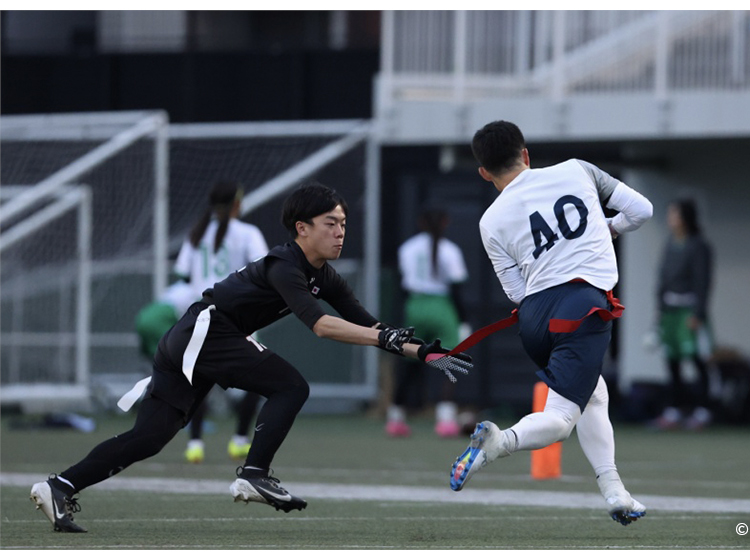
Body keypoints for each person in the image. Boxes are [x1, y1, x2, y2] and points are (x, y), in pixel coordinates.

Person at [29, 184, 473, 533]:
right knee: (291, 385)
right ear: (302, 228)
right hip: (206, 331)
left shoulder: (326, 276)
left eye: (343, 223)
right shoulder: (286, 265)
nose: (340, 231)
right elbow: (321, 326)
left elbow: (372, 327)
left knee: (149, 438)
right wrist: (392, 341)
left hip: (195, 339)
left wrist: (424, 351)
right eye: (330, 223)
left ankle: (59, 486)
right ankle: (254, 473)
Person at [449, 120, 655, 526]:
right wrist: (608, 228)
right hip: (582, 308)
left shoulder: (489, 220)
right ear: (525, 154)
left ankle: (615, 492)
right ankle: (499, 442)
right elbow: (641, 211)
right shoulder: (577, 169)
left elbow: (515, 292)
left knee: (593, 393)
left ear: (484, 173)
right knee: (561, 420)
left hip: (535, 320)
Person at [136, 182, 275, 465]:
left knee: (199, 378)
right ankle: (239, 440)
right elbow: (263, 269)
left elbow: (185, 276)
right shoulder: (247, 233)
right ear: (238, 203)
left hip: (198, 314)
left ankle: (195, 444)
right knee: (264, 375)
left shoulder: (197, 233)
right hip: (235, 313)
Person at [392, 208, 471, 439]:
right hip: (442, 308)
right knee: (449, 362)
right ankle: (445, 420)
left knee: (409, 364)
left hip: (414, 306)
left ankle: (395, 419)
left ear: (421, 222)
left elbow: (403, 286)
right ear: (446, 222)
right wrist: (463, 321)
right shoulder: (451, 250)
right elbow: (456, 289)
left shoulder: (407, 248)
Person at [655, 198, 717, 431]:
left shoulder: (699, 245)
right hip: (670, 311)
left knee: (698, 360)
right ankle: (674, 409)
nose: (670, 219)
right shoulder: (670, 243)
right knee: (672, 361)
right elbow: (661, 279)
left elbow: (703, 281)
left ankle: (703, 410)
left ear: (685, 218)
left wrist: (698, 314)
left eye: (674, 214)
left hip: (689, 311)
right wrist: (659, 311)